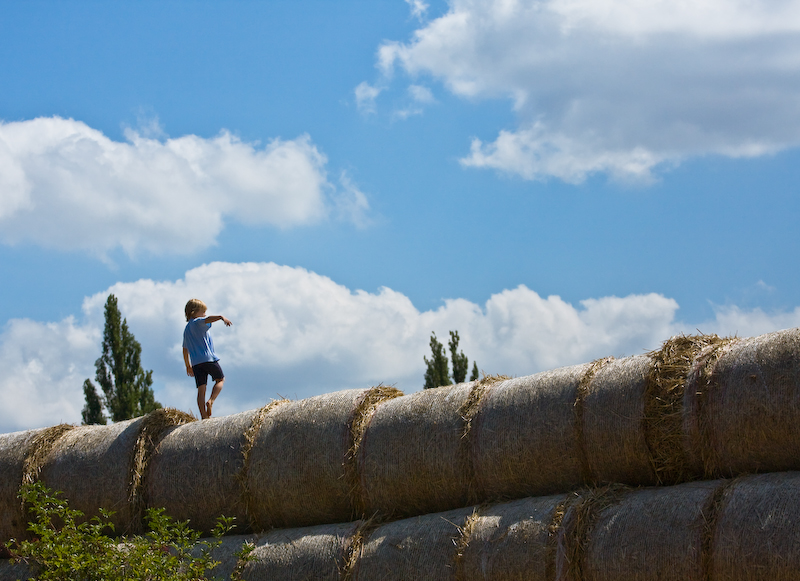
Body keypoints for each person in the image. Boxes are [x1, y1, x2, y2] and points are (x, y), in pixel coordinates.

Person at [182, 299, 232, 419]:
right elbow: (207, 319)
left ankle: (204, 416)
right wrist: (221, 317)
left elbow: (184, 349)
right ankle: (211, 401)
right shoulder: (197, 322)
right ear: (194, 313)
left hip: (195, 363)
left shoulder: (186, 329)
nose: (204, 314)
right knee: (220, 380)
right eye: (203, 311)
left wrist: (188, 365)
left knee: (201, 390)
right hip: (208, 359)